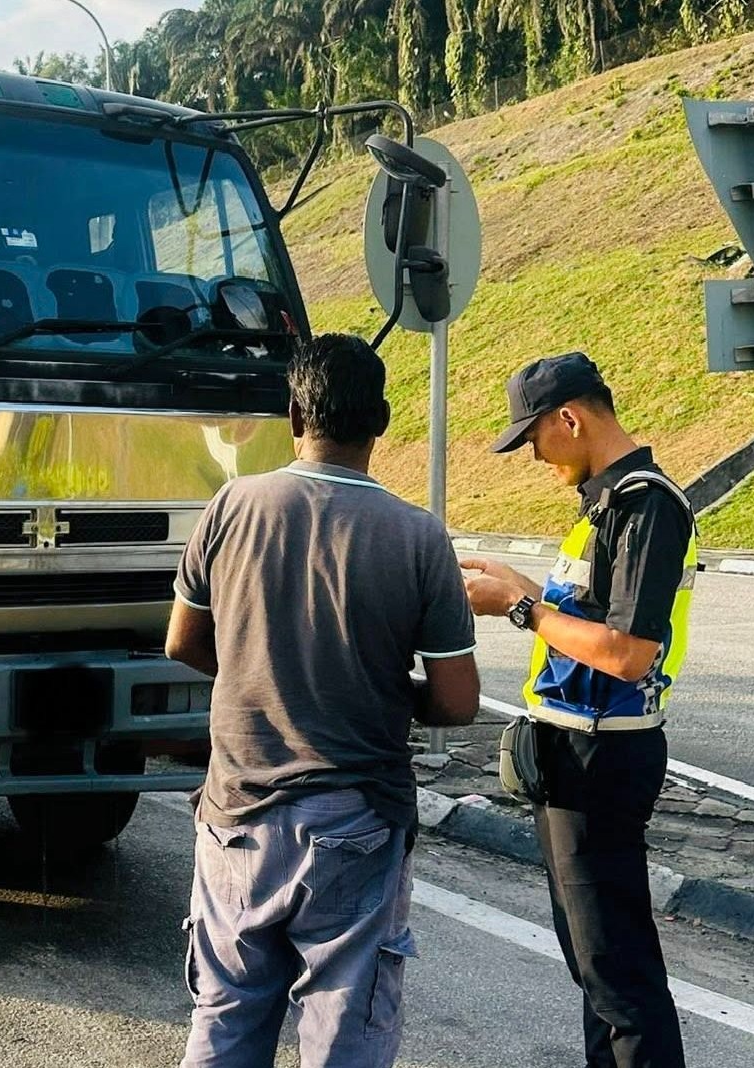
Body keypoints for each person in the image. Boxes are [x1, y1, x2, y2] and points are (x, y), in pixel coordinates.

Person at [165, 333, 481, 1068]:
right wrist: (371, 691)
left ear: (292, 415)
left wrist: (258, 670)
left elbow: (182, 641)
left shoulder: (231, 506)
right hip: (355, 814)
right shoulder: (417, 537)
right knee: (344, 1034)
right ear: (383, 420)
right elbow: (456, 700)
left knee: (225, 1022)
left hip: (234, 811)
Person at [461, 352, 697, 1068]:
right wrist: (522, 588)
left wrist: (520, 608)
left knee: (615, 970)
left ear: (569, 417)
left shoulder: (644, 505)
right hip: (571, 755)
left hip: (604, 759)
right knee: (594, 968)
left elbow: (628, 653)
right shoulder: (605, 504)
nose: (530, 454)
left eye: (530, 438)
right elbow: (591, 622)